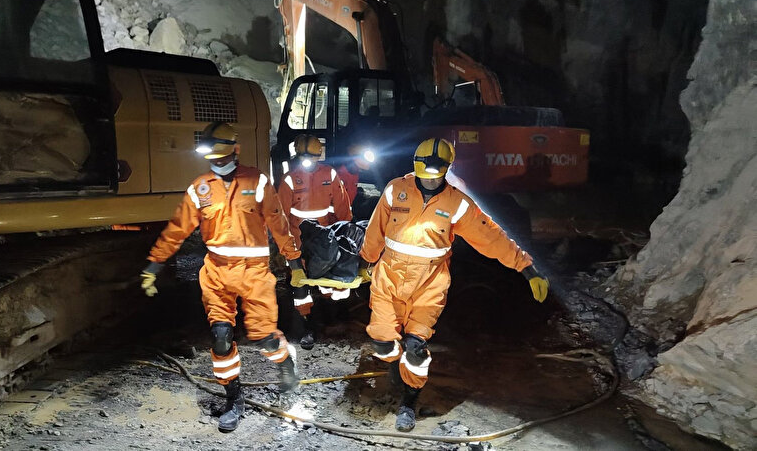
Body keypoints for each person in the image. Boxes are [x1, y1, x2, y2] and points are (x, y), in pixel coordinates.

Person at [359, 138, 550, 432]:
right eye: (425, 176)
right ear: (415, 167)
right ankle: (395, 364)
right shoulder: (395, 189)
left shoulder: (457, 203)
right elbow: (376, 228)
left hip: (430, 284)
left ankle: (409, 401)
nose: (430, 182)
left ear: (447, 171)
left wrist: (526, 267)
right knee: (383, 343)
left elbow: (491, 237)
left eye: (437, 177)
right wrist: (366, 260)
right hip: (389, 278)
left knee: (416, 349)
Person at [140, 122, 307, 433]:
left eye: (221, 156)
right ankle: (234, 398)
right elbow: (177, 229)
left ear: (235, 150)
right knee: (220, 337)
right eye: (211, 158)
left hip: (254, 270)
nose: (217, 162)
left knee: (263, 335)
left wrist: (294, 261)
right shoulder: (200, 188)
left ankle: (284, 363)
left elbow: (278, 222)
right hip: (216, 270)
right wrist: (154, 263)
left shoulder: (256, 181)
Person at [277, 134, 352, 349]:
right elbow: (280, 219)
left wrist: (346, 240)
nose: (308, 161)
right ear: (298, 156)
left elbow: (343, 210)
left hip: (324, 242)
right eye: (304, 157)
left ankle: (330, 320)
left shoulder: (330, 174)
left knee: (328, 283)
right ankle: (304, 326)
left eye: (313, 157)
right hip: (298, 243)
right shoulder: (290, 179)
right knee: (300, 287)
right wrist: (288, 252)